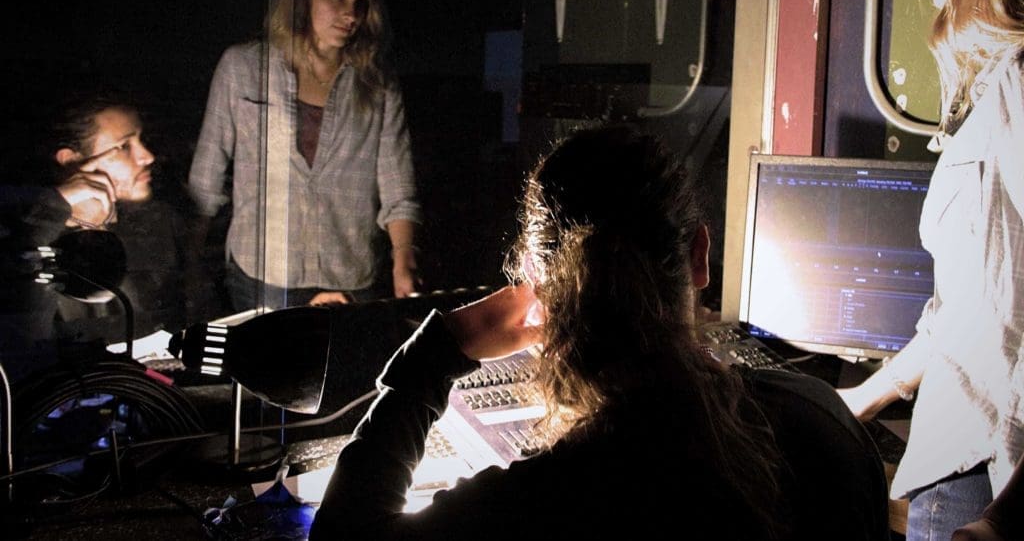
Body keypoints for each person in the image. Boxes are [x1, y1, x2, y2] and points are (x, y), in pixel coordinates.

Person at [309, 126, 888, 541]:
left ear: (538, 288)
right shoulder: (825, 421)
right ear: (700, 257)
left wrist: (433, 357)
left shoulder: (549, 498)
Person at [838, 0, 1024, 539]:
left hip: (987, 472)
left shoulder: (1018, 90)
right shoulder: (997, 95)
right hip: (957, 451)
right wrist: (864, 396)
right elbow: (968, 314)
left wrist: (1002, 519)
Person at [188, 0, 422, 312]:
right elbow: (207, 171)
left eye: (360, 4)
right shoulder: (244, 68)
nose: (350, 14)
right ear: (303, 0)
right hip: (262, 272)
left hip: (348, 271)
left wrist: (403, 259)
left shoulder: (376, 86)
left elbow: (397, 183)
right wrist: (191, 263)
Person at [0, 92, 192, 376]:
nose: (147, 156)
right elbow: (22, 348)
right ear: (70, 161)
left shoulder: (158, 225)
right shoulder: (26, 237)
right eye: (124, 146)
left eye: (141, 141)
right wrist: (50, 211)